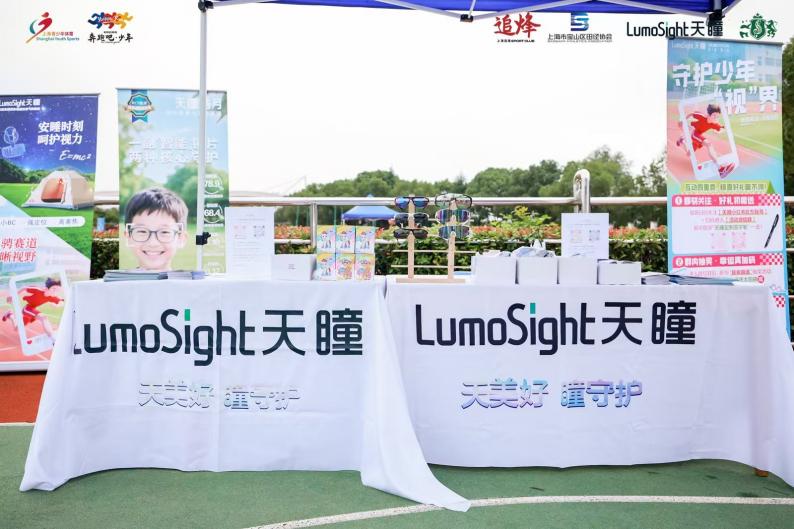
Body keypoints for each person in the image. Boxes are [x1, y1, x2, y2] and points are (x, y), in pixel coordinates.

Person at [124, 187, 188, 271]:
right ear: (128, 237)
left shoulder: (194, 280)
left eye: (164, 232)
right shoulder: (115, 279)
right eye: (142, 231)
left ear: (181, 238)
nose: (153, 243)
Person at [676, 103, 734, 179]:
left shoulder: (714, 124)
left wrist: (724, 128)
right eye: (714, 115)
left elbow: (721, 128)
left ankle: (682, 141)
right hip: (694, 133)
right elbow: (691, 113)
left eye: (717, 116)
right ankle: (720, 168)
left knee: (689, 153)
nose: (716, 118)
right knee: (709, 144)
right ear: (709, 114)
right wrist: (683, 120)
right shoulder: (702, 116)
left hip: (698, 135)